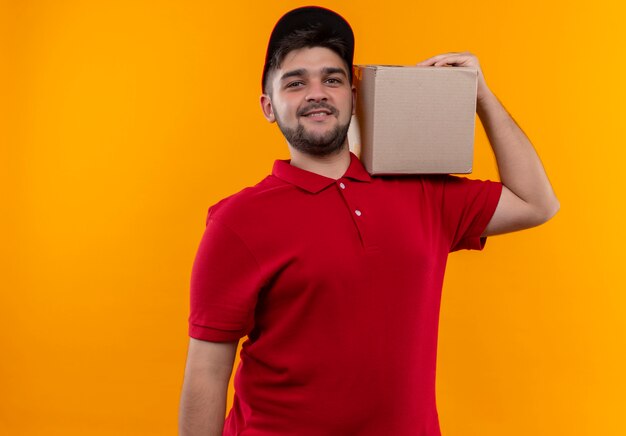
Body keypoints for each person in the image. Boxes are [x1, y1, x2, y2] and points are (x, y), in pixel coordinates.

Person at [178, 6, 559, 436]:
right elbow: (207, 373)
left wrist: (481, 98)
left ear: (355, 98)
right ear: (268, 106)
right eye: (296, 82)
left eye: (333, 79)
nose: (317, 92)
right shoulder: (237, 220)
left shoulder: (422, 192)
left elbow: (535, 202)